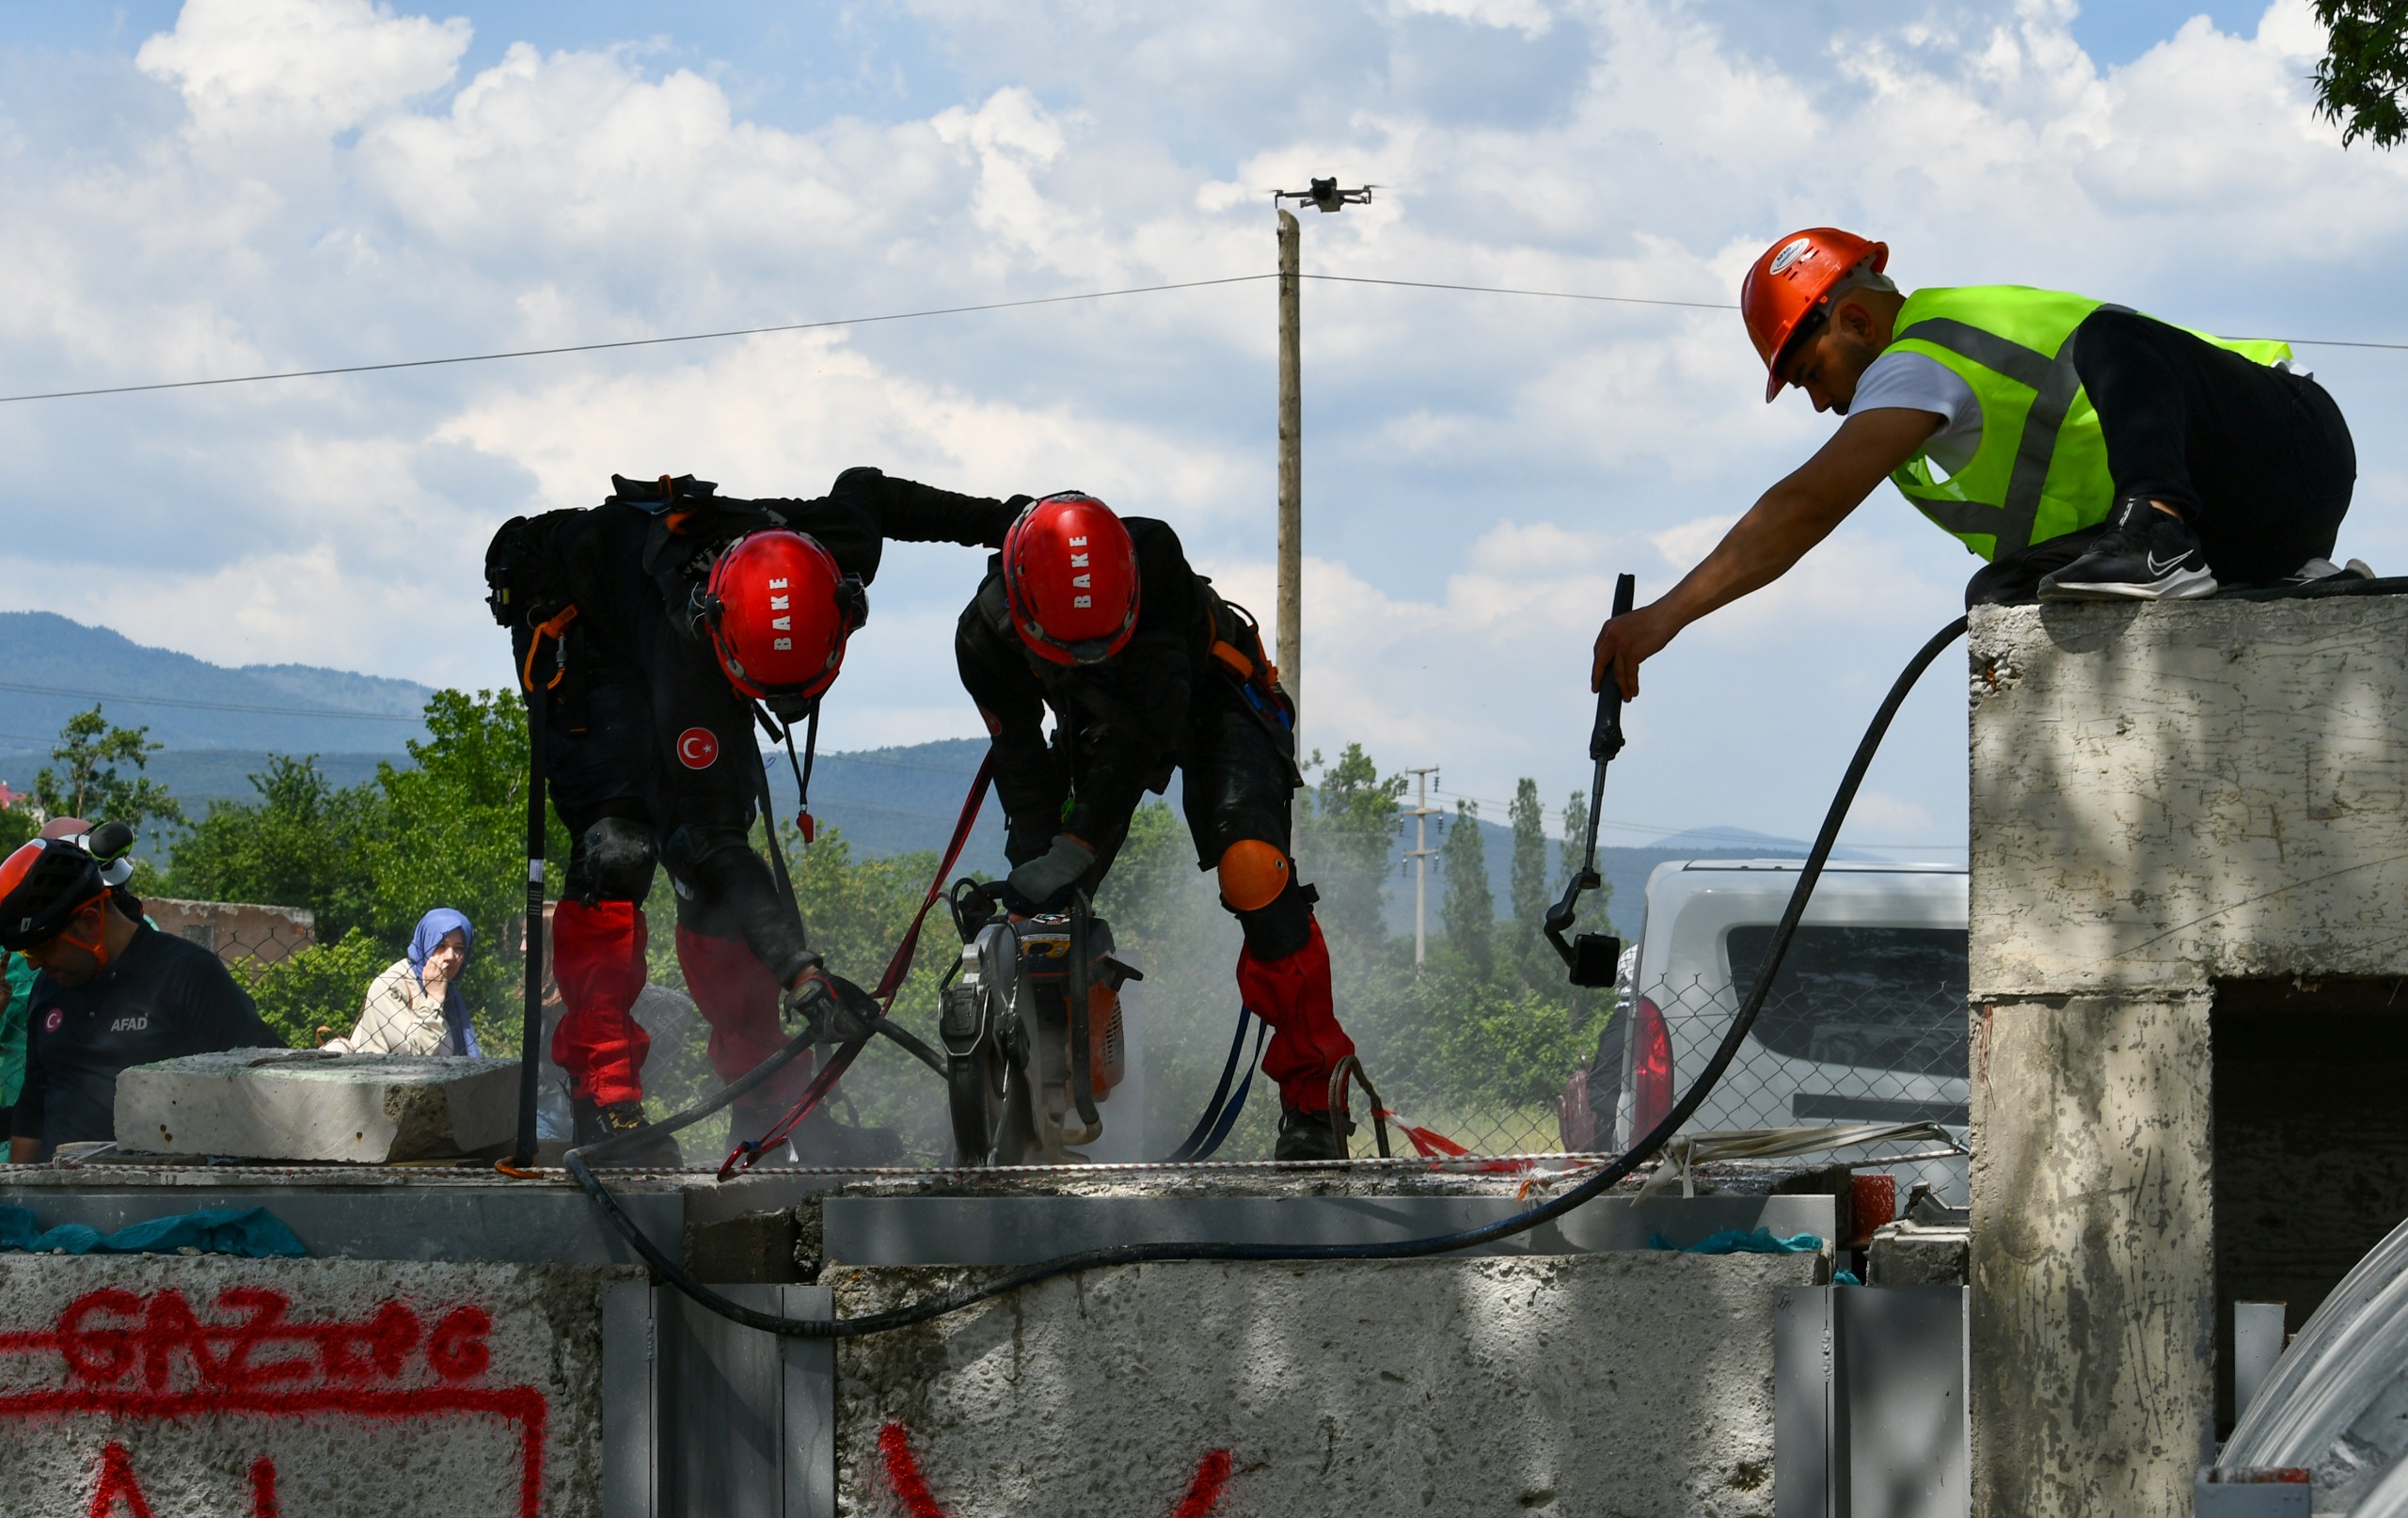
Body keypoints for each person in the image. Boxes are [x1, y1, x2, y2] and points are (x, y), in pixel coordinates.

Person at [485, 466, 1025, 1162]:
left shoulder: (825, 553)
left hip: (699, 644)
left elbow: (871, 491)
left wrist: (1011, 524)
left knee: (715, 895)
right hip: (590, 642)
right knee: (618, 850)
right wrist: (802, 972)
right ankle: (604, 1100)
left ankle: (774, 1106)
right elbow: (710, 841)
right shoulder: (685, 658)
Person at [1592, 228, 2359, 701]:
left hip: (2287, 439)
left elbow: (1804, 506)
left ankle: (2159, 534)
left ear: (1854, 320)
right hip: (2246, 528)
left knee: (2112, 338)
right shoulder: (1921, 415)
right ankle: (2276, 584)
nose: (1820, 404)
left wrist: (1663, 619)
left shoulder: (1921, 357)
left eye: (1811, 375)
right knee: (2002, 596)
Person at [953, 492, 1363, 1161]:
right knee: (1044, 909)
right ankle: (1046, 1097)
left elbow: (1142, 739)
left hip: (1211, 695)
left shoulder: (1158, 565)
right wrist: (1046, 870)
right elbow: (1023, 764)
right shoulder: (983, 638)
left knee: (1254, 867)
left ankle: (1314, 1095)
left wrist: (1080, 845)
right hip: (1097, 721)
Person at [1, 833, 275, 1162]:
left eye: (38, 947)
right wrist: (22, 1197)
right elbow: (33, 1107)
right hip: (59, 1200)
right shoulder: (49, 986)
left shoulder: (187, 976)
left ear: (89, 922)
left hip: (159, 1198)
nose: (31, 963)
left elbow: (258, 1097)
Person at [322, 909, 481, 1057]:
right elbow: (415, 1057)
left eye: (459, 948)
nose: (450, 956)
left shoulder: (451, 995)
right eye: (441, 945)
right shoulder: (389, 986)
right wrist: (434, 999)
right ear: (425, 942)